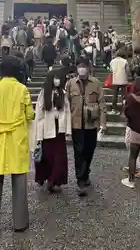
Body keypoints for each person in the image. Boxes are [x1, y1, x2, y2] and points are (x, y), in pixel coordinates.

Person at [0, 56, 35, 234]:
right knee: (19, 181)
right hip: (17, 138)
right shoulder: (22, 89)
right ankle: (19, 223)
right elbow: (30, 114)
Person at [66, 57, 107, 196]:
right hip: (76, 124)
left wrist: (103, 123)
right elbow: (66, 105)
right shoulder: (70, 83)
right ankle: (81, 181)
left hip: (91, 124)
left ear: (88, 67)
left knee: (89, 150)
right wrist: (66, 125)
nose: (82, 68)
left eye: (84, 65)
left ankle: (85, 172)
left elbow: (102, 104)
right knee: (79, 152)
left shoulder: (96, 83)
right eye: (79, 66)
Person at [34, 70, 71, 192]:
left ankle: (54, 179)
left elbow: (67, 111)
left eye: (58, 78)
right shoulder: (43, 93)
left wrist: (67, 129)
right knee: (46, 155)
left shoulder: (63, 93)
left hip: (59, 129)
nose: (57, 80)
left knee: (59, 157)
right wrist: (38, 132)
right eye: (55, 78)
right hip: (46, 129)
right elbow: (39, 114)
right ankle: (44, 177)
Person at [110, 49, 131, 113]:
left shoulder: (112, 61)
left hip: (115, 80)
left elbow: (111, 70)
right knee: (124, 96)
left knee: (115, 95)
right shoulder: (125, 61)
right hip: (123, 80)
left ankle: (114, 109)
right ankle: (124, 108)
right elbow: (128, 71)